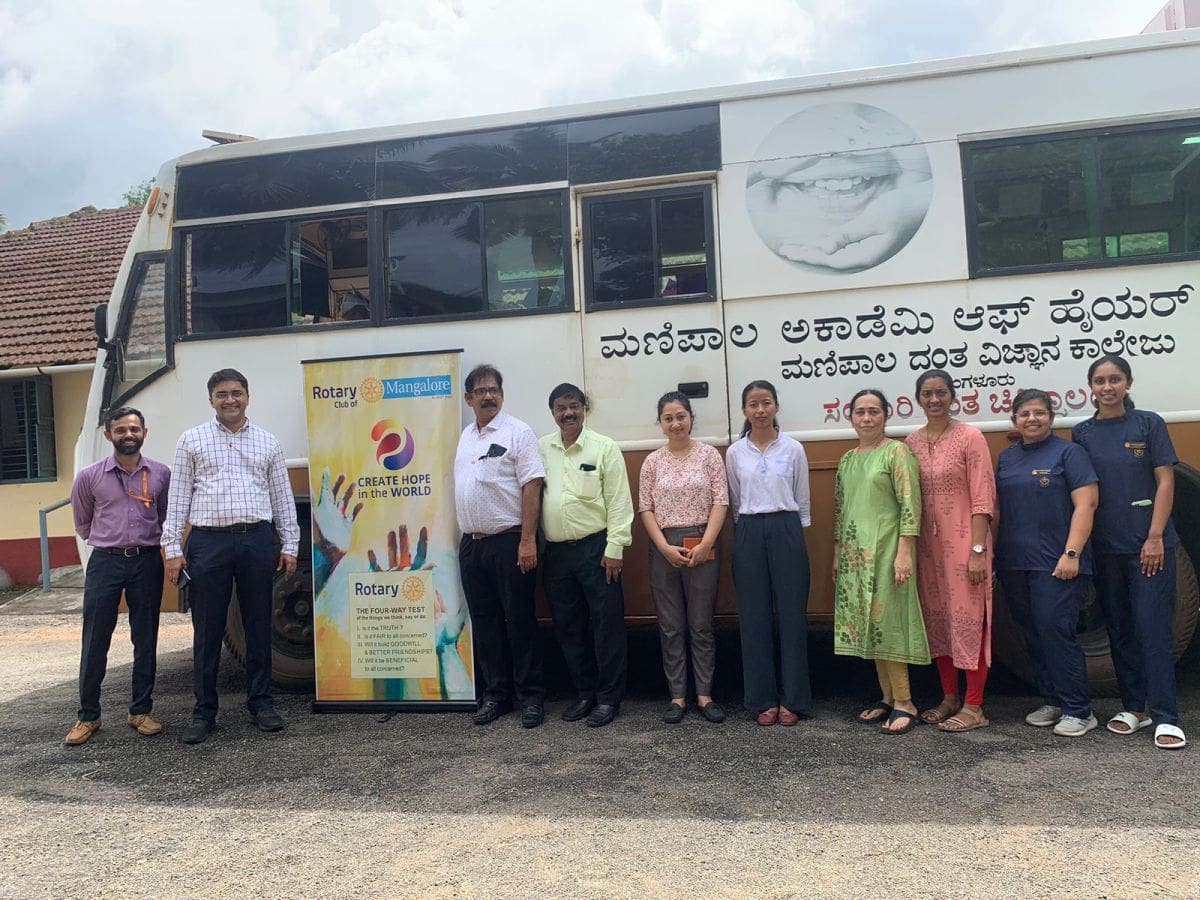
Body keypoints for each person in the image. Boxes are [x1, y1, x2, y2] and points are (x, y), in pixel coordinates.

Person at [162, 369, 300, 745]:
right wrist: (172, 548)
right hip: (209, 542)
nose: (230, 400)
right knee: (207, 628)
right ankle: (204, 712)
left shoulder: (268, 443)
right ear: (211, 400)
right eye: (222, 394)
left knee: (258, 624)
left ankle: (262, 703)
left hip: (256, 540)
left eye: (236, 393)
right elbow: (178, 499)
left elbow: (282, 498)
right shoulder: (191, 441)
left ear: (247, 397)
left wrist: (290, 545)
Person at [1072, 355, 1187, 750]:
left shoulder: (1148, 424)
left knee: (1151, 628)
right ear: (1091, 388)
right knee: (1119, 630)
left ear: (1128, 383)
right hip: (1107, 549)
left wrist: (1154, 536)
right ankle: (1134, 708)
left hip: (1148, 547)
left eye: (1115, 379)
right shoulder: (1083, 433)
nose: (1107, 387)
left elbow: (1166, 482)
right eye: (1100, 381)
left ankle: (1166, 715)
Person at [995, 388, 1099, 738]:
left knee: (1055, 630)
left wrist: (1072, 554)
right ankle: (1053, 700)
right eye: (1025, 414)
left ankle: (1079, 710)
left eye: (1039, 413)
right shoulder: (1007, 459)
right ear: (1014, 421)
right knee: (1032, 632)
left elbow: (1086, 505)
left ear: (1051, 418)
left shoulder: (1070, 453)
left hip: (1057, 563)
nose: (1032, 419)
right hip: (1016, 564)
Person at [65, 407, 171, 746]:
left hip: (146, 562)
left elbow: (166, 516)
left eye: (134, 428)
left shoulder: (160, 474)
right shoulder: (89, 476)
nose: (129, 434)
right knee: (95, 638)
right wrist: (108, 541)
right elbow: (83, 521)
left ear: (144, 433)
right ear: (109, 435)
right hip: (106, 562)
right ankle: (88, 716)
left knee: (146, 636)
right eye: (121, 429)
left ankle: (140, 710)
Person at [453, 364, 546, 728]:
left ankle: (532, 697)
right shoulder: (465, 436)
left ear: (502, 395)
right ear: (469, 399)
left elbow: (532, 486)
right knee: (486, 623)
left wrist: (527, 540)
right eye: (480, 391)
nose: (488, 396)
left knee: (519, 621)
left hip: (510, 542)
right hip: (473, 546)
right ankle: (496, 695)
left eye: (494, 390)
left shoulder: (517, 432)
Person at [904, 370, 996, 733]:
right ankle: (949, 697)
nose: (935, 399)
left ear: (952, 397)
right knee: (939, 621)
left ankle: (975, 705)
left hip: (964, 546)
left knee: (970, 620)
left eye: (941, 393)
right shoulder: (911, 442)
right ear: (918, 399)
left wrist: (977, 550)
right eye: (927, 394)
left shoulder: (971, 438)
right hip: (928, 551)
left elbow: (983, 498)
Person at [833, 388, 929, 735]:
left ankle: (906, 702)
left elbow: (910, 504)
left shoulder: (897, 453)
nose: (867, 418)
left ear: (886, 416)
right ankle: (887, 697)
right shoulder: (847, 459)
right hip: (856, 555)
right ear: (851, 417)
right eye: (860, 412)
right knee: (870, 624)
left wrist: (905, 551)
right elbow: (841, 510)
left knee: (889, 623)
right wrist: (837, 554)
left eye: (874, 411)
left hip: (890, 551)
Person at [539, 383, 634, 727]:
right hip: (557, 554)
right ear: (552, 412)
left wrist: (615, 548)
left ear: (585, 409)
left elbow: (620, 501)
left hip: (598, 550)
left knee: (606, 626)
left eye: (574, 406)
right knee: (569, 628)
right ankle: (584, 693)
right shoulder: (541, 449)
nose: (568, 413)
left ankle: (609, 699)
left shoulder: (604, 448)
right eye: (561, 408)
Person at [724, 380, 812, 726]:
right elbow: (734, 499)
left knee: (792, 616)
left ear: (776, 407)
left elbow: (802, 499)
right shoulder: (735, 452)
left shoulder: (793, 449)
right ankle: (762, 699)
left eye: (766, 403)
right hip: (748, 529)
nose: (760, 410)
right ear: (744, 411)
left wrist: (791, 531)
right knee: (753, 616)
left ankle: (794, 699)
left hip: (787, 528)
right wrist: (747, 530)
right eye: (753, 405)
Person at [639, 391, 729, 724]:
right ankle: (677, 696)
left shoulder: (708, 456)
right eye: (668, 418)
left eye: (681, 416)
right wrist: (663, 546)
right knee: (671, 625)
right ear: (660, 423)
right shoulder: (652, 461)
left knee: (701, 624)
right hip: (664, 546)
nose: (676, 423)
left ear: (691, 418)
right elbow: (645, 507)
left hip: (702, 542)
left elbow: (721, 501)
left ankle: (704, 695)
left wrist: (707, 543)